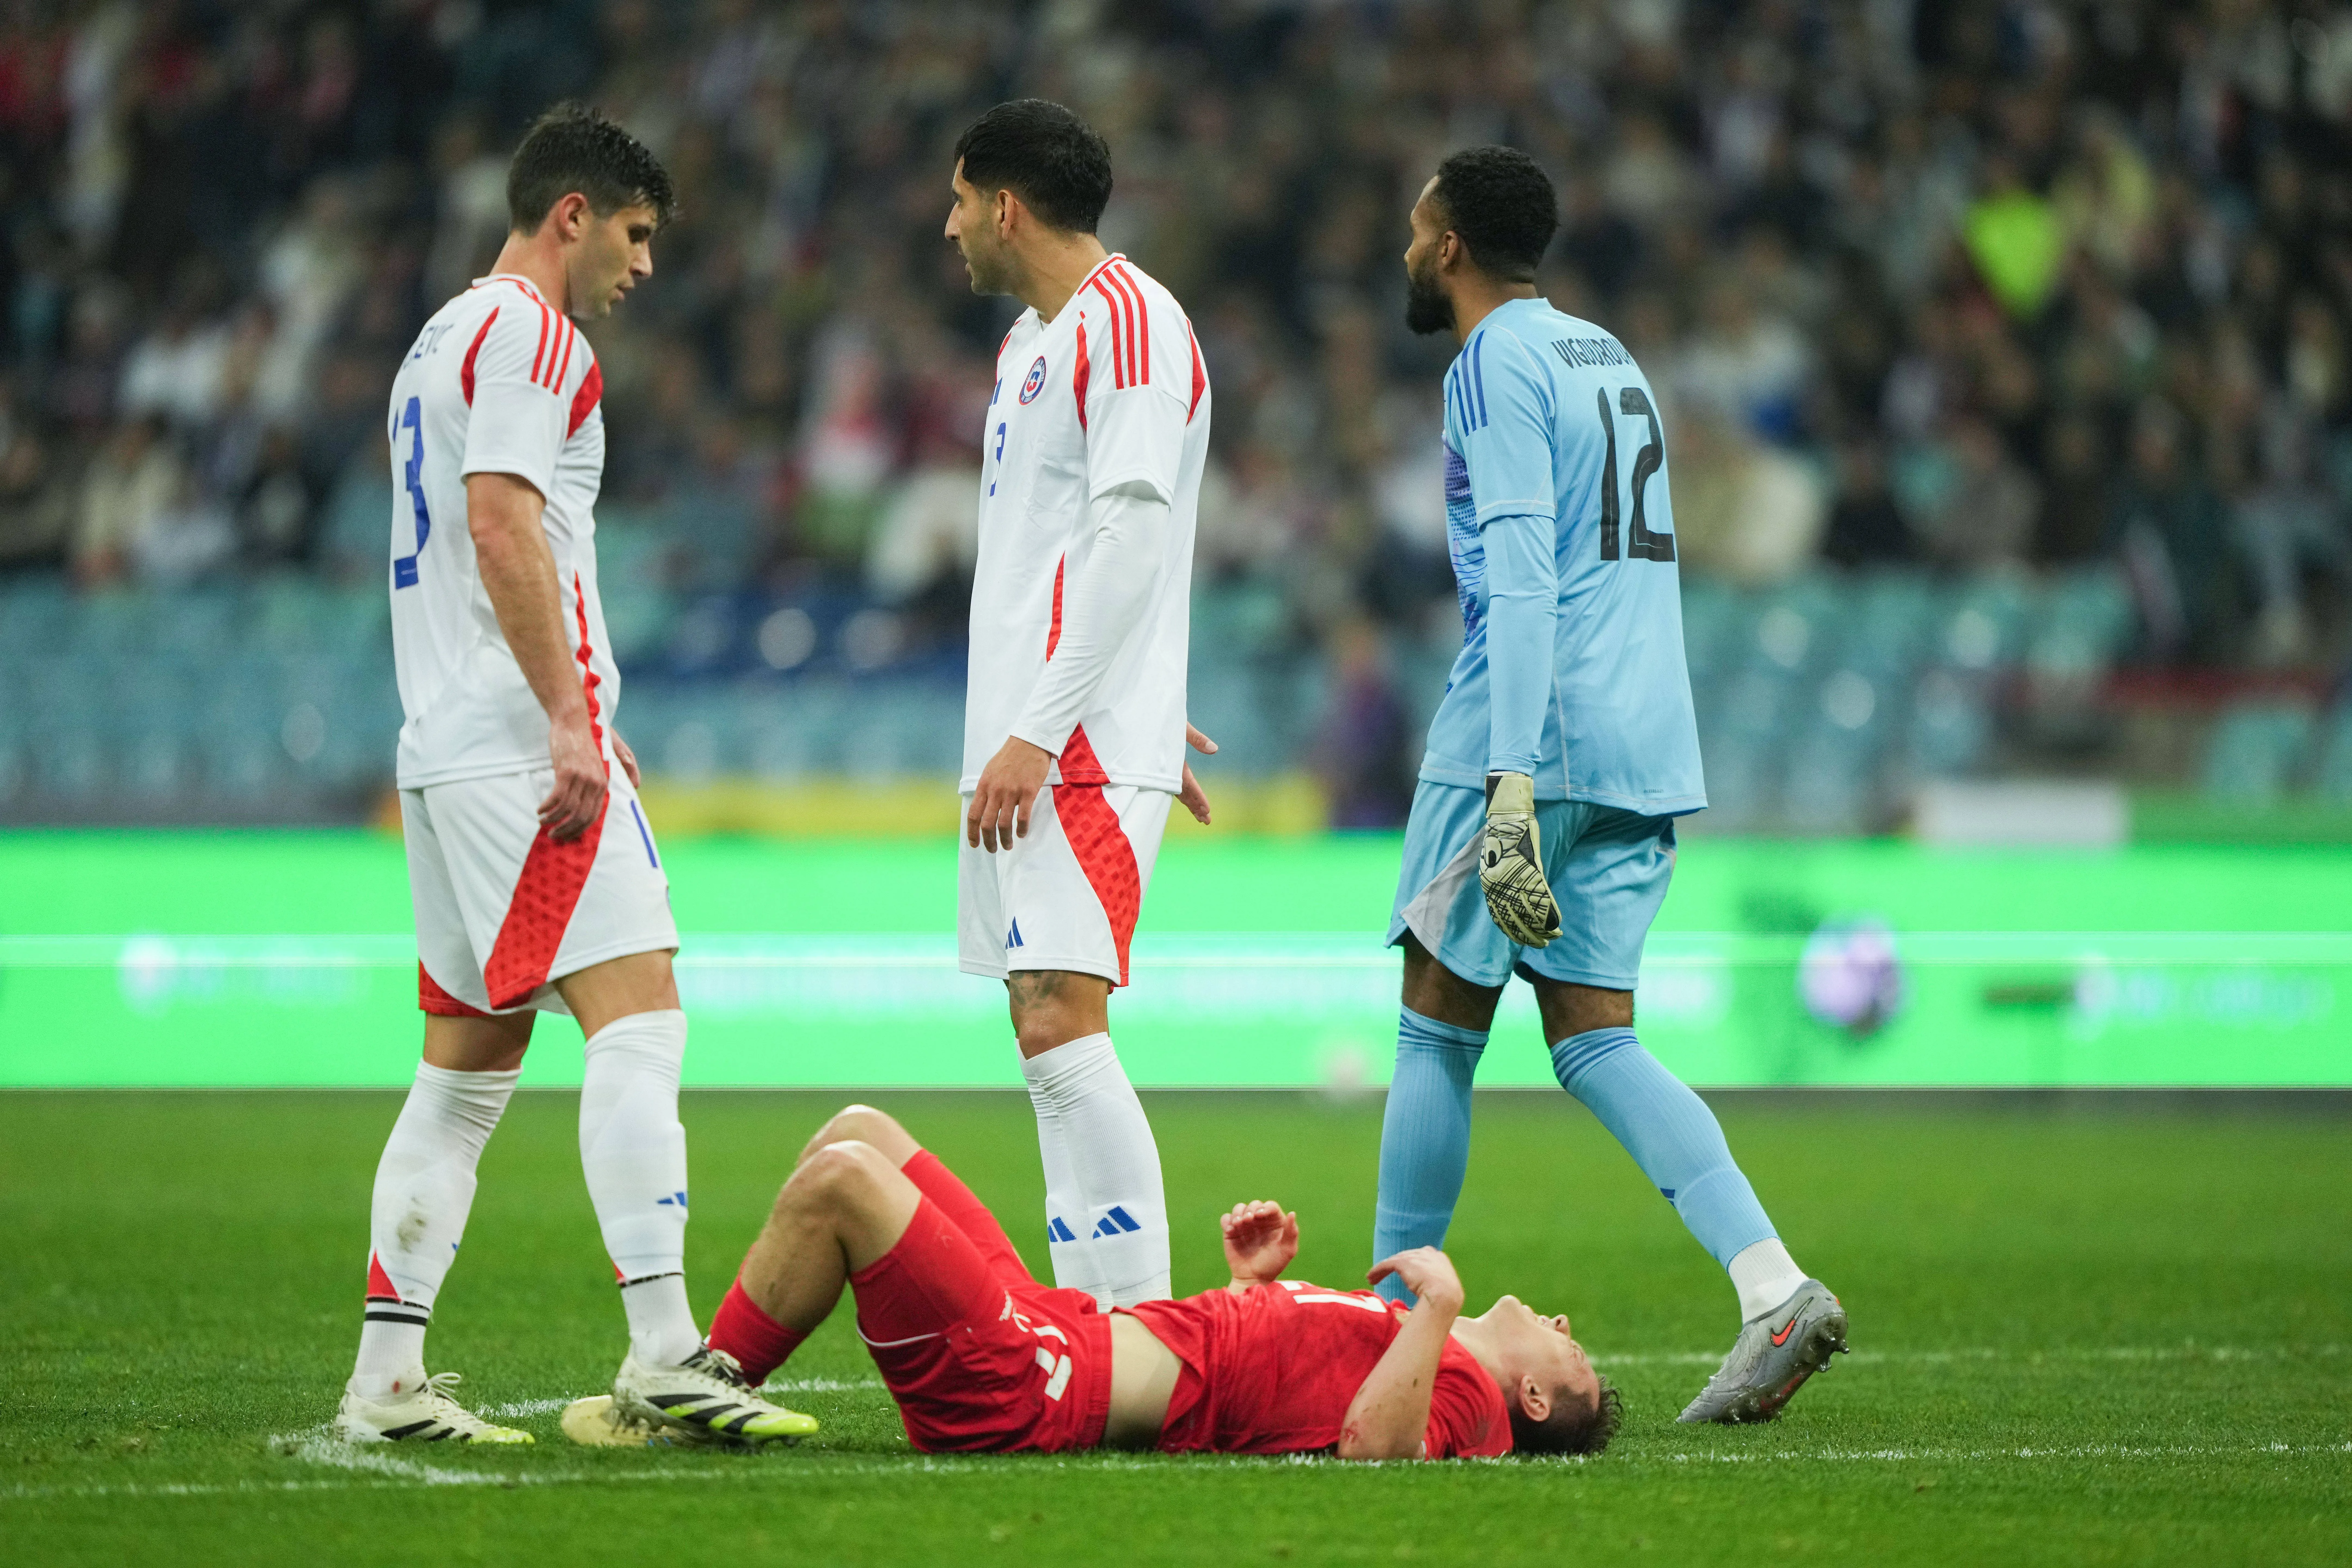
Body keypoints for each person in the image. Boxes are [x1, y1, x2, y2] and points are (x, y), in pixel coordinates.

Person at [335, 103, 812, 1447]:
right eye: (638, 233)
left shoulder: (442, 334)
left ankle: (385, 1381)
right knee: (643, 1012)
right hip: (517, 751)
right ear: (571, 217)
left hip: (444, 747)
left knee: (467, 1071)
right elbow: (501, 523)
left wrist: (577, 693)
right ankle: (666, 1347)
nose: (645, 264)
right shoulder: (538, 336)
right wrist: (566, 713)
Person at [1376, 146, 1849, 1425]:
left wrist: (1512, 781)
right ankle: (1773, 1286)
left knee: (1437, 1011)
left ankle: (1379, 1331)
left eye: (1420, 231)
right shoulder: (1605, 354)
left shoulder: (1490, 365)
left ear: (1455, 246)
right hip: (1646, 730)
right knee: (1594, 1035)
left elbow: (1524, 573)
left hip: (1535, 726)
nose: (1410, 250)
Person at [562, 1105, 1620, 1459]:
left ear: (1533, 1398)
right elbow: (1270, 1391)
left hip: (1035, 1383)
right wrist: (1248, 1290)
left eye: (1572, 1353)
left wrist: (1436, 1308)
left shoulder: (1472, 1400)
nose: (1566, 1321)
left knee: (844, 1181)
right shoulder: (1436, 1363)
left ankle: (698, 1385)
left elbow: (1371, 1452)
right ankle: (702, 1383)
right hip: (1065, 1333)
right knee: (860, 1132)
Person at [944, 99, 1215, 1310]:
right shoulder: (1028, 346)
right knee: (1037, 1016)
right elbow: (1062, 554)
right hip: (1052, 726)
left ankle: (1145, 1332)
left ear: (1006, 207)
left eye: (958, 202)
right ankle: (1098, 1325)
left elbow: (1133, 533)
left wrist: (1068, 721)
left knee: (1063, 1009)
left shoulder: (1133, 323)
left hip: (1067, 741)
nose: (948, 228)